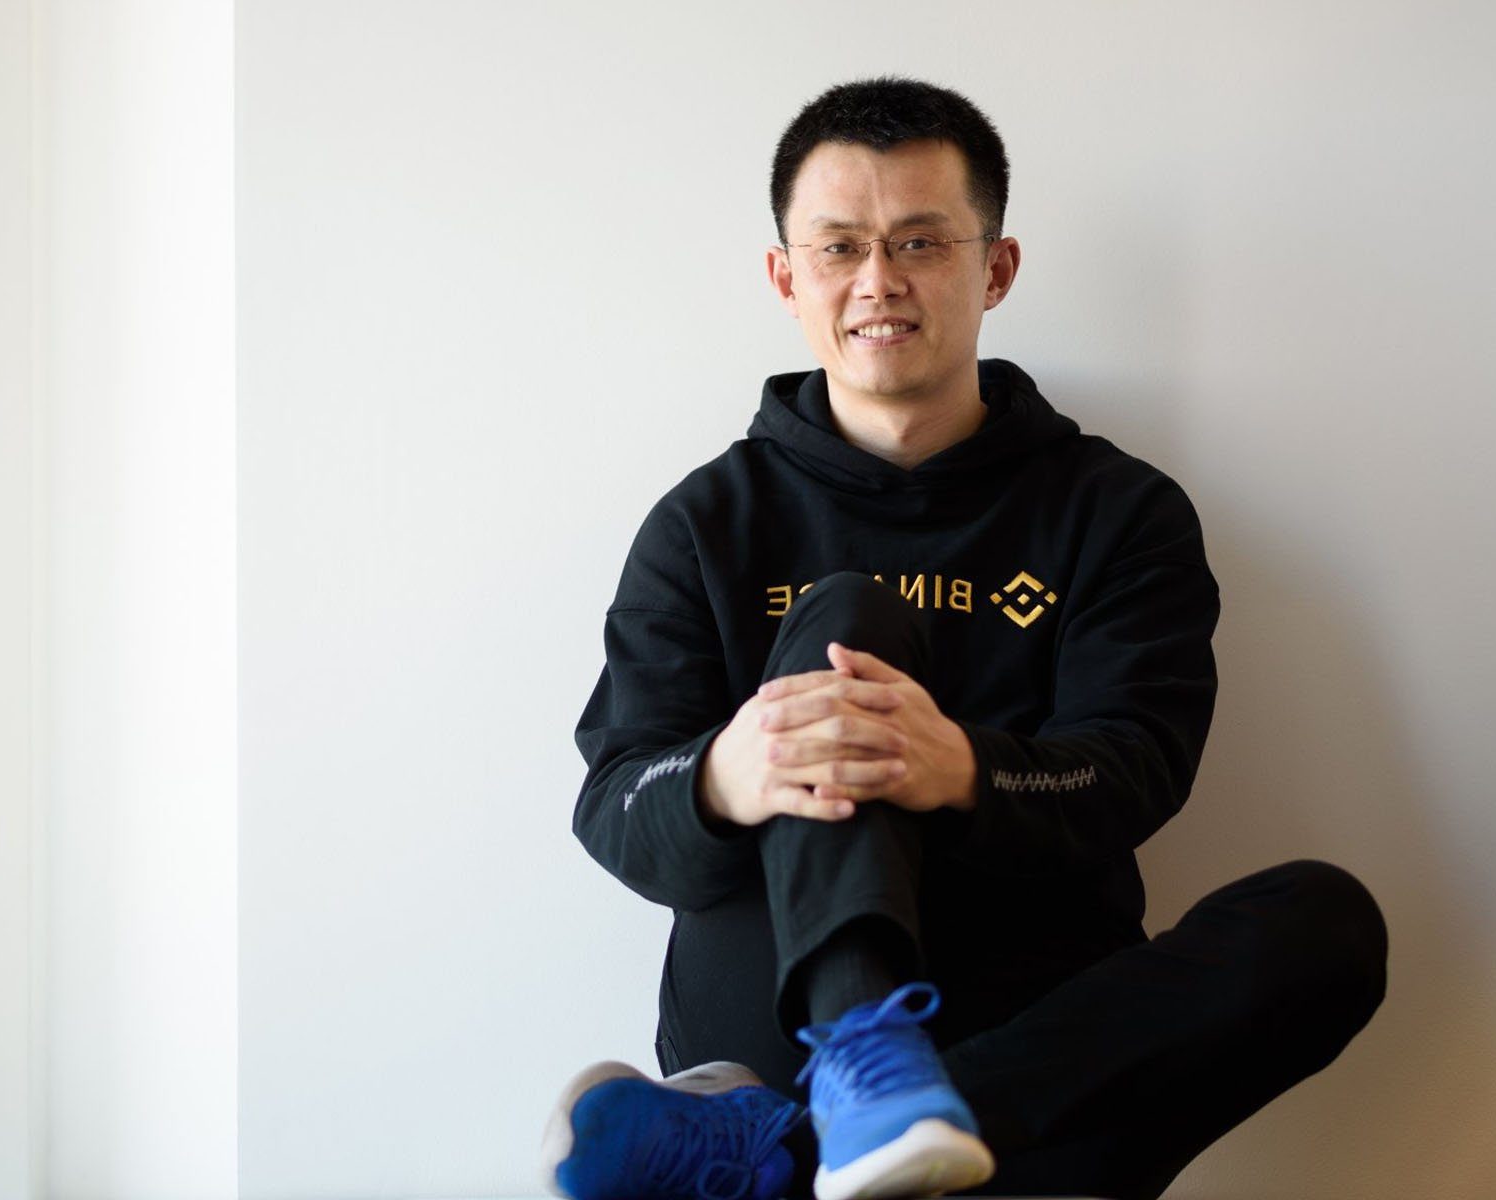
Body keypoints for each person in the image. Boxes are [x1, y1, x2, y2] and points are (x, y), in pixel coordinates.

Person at [538, 77, 1388, 1200]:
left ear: (995, 268)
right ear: (787, 278)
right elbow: (615, 802)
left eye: (920, 242)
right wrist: (725, 775)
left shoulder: (1116, 512)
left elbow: (1137, 767)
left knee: (1328, 927)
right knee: (845, 615)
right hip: (778, 1021)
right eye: (839, 247)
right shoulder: (705, 525)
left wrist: (964, 770)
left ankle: (788, 1154)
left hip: (1040, 1051)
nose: (877, 280)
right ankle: (860, 1065)